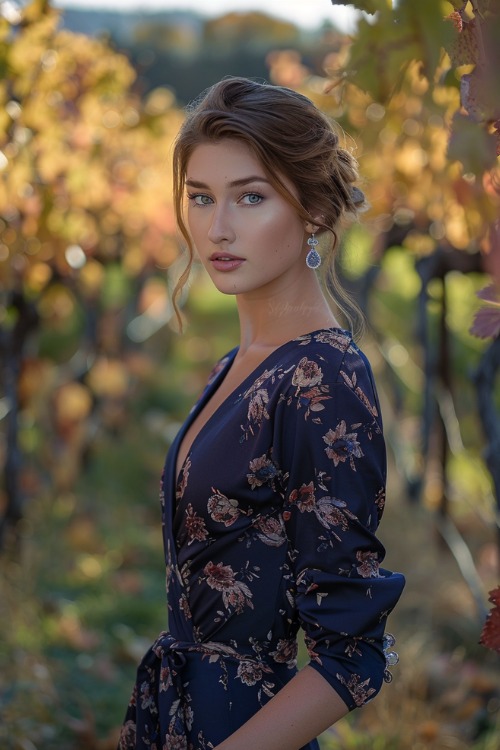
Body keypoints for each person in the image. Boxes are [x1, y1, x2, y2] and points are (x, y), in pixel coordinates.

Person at [118, 76, 405, 750]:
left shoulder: (323, 378)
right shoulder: (241, 361)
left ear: (310, 210)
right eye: (201, 198)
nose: (218, 228)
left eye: (251, 197)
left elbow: (351, 655)